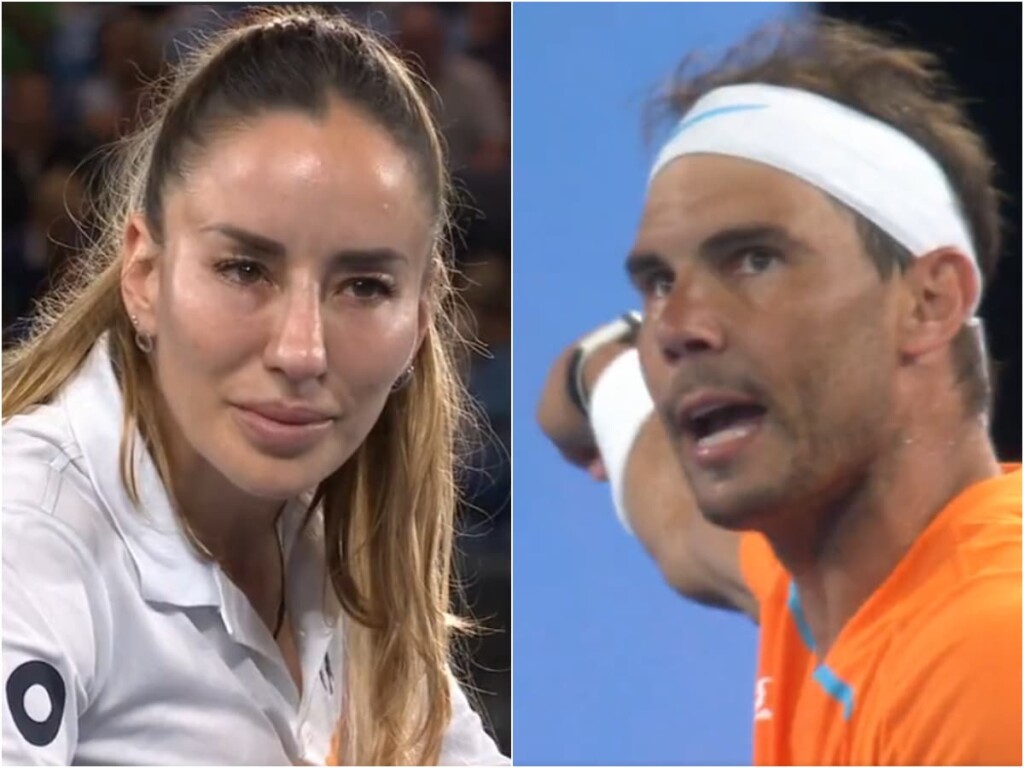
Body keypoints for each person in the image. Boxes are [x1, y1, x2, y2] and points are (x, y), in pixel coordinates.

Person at [3, 8, 507, 766]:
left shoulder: (340, 554)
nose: (301, 350)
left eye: (365, 286)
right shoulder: (28, 526)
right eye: (244, 269)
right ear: (144, 274)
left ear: (422, 317)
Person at [538, 19, 1021, 765]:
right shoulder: (824, 581)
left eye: (755, 261)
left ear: (929, 302)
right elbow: (670, 515)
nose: (678, 328)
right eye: (660, 284)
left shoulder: (988, 660)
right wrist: (593, 370)